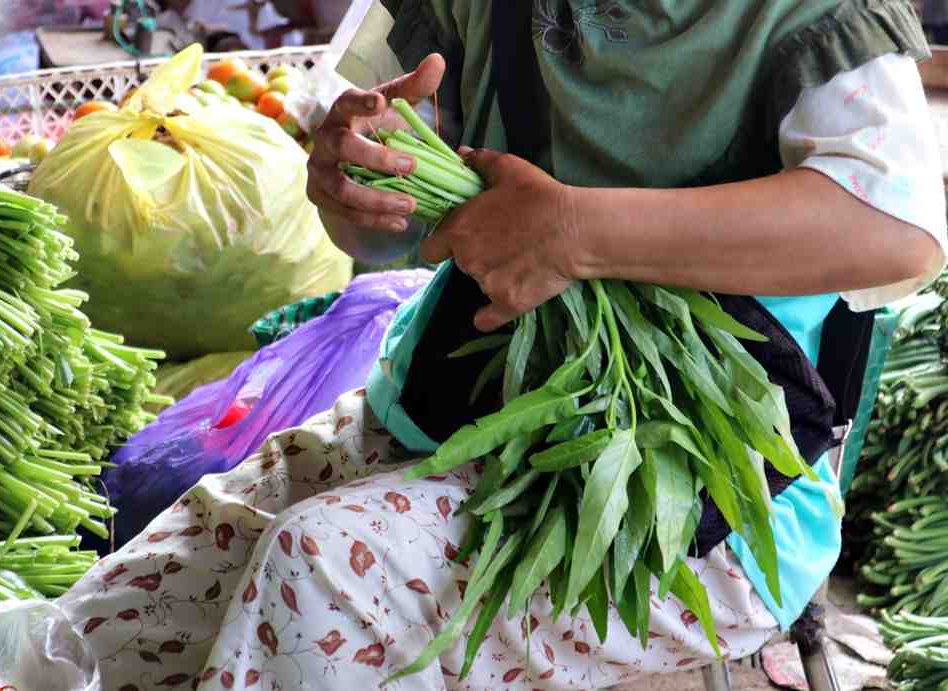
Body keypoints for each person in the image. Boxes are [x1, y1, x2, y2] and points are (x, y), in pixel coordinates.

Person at [61, 1, 948, 689]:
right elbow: (385, 228)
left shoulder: (812, 16)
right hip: (449, 406)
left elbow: (896, 229)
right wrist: (353, 179)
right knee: (124, 613)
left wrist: (578, 232)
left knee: (316, 569)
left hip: (680, 483)